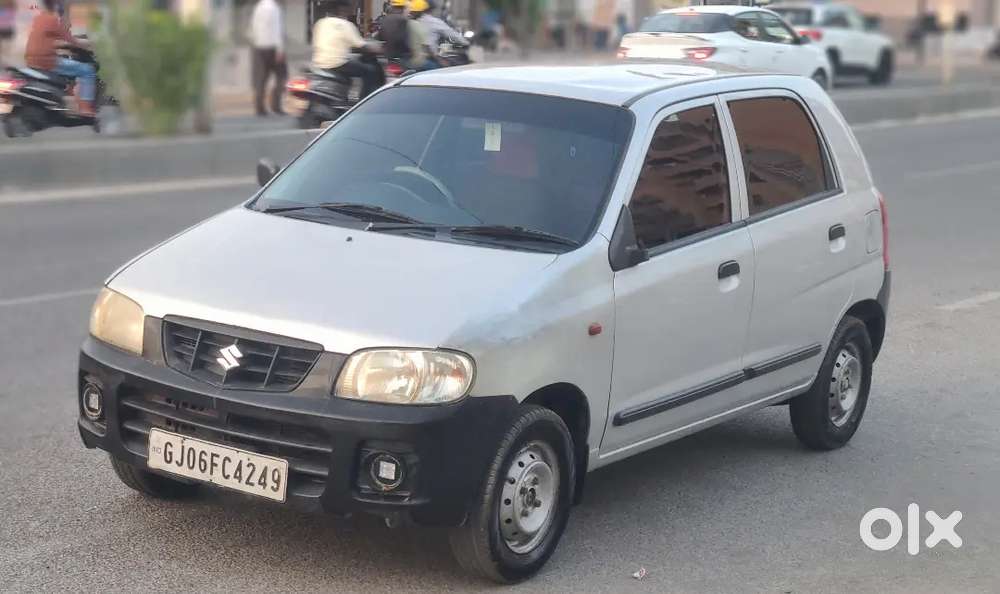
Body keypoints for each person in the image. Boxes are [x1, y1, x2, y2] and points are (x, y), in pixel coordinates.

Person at [23, 0, 96, 115]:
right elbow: (72, 41)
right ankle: (86, 109)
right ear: (55, 6)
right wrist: (90, 44)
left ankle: (69, 97)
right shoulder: (52, 20)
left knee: (67, 60)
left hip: (31, 59)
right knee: (87, 70)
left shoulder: (38, 19)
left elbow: (49, 39)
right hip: (46, 61)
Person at [312, 0, 385, 99]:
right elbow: (362, 46)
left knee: (356, 63)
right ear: (342, 8)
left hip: (319, 62)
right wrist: (381, 49)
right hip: (337, 64)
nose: (352, 9)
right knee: (370, 71)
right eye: (349, 6)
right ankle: (364, 100)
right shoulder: (345, 25)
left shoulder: (321, 22)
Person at [250, 0, 287, 116]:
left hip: (259, 47)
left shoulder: (258, 7)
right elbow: (277, 30)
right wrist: (280, 50)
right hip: (272, 47)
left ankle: (259, 108)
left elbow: (253, 28)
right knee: (282, 76)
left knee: (262, 78)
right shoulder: (274, 8)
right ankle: (275, 105)